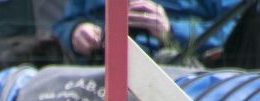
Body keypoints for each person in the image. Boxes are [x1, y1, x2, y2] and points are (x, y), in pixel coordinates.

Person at [53, 0, 243, 63]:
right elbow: (63, 25)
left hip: (183, 73)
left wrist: (171, 31)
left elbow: (239, 30)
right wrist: (75, 32)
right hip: (99, 72)